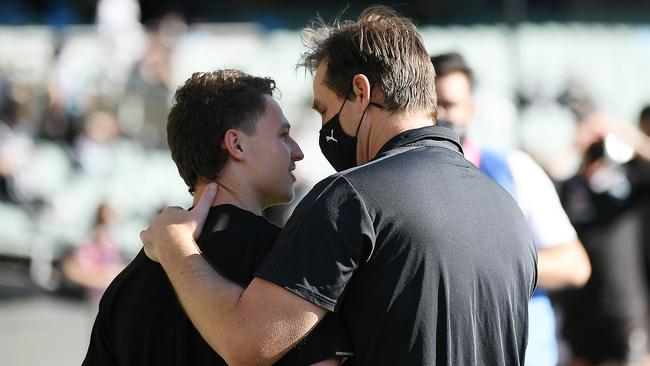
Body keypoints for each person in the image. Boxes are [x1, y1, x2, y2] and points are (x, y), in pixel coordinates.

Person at [141, 6, 537, 365]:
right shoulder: (509, 209)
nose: (317, 135)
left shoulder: (353, 198)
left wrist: (176, 247)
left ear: (361, 93)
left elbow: (247, 342)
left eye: (326, 109)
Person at [82, 69, 351, 366]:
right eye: (283, 135)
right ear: (236, 144)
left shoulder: (129, 281)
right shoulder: (288, 261)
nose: (297, 152)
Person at [430, 52, 591, 366]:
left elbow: (575, 265)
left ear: (471, 109)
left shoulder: (514, 169)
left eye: (450, 104)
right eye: (431, 105)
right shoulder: (403, 181)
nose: (441, 115)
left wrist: (487, 266)